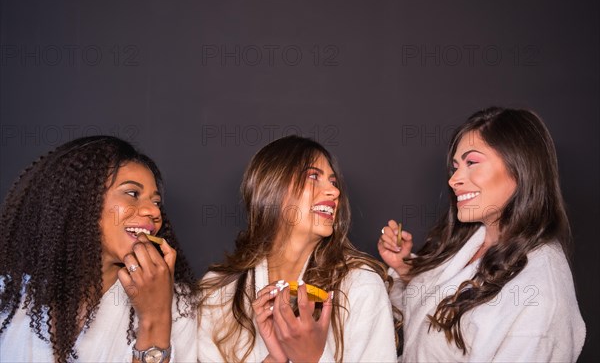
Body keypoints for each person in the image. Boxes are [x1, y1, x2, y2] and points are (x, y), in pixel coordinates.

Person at [379, 107, 586, 362]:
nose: (454, 180)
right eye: (455, 167)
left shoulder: (540, 296)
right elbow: (427, 317)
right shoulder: (471, 240)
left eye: (472, 163)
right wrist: (405, 268)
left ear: (521, 168)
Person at [198, 135, 397, 363]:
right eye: (313, 176)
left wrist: (313, 358)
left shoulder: (361, 286)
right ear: (272, 187)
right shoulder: (216, 292)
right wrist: (276, 359)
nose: (334, 192)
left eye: (333, 182)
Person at [0, 136, 198, 363]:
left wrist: (155, 318)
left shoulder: (179, 305)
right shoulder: (8, 294)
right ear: (82, 201)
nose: (153, 212)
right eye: (132, 193)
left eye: (156, 202)